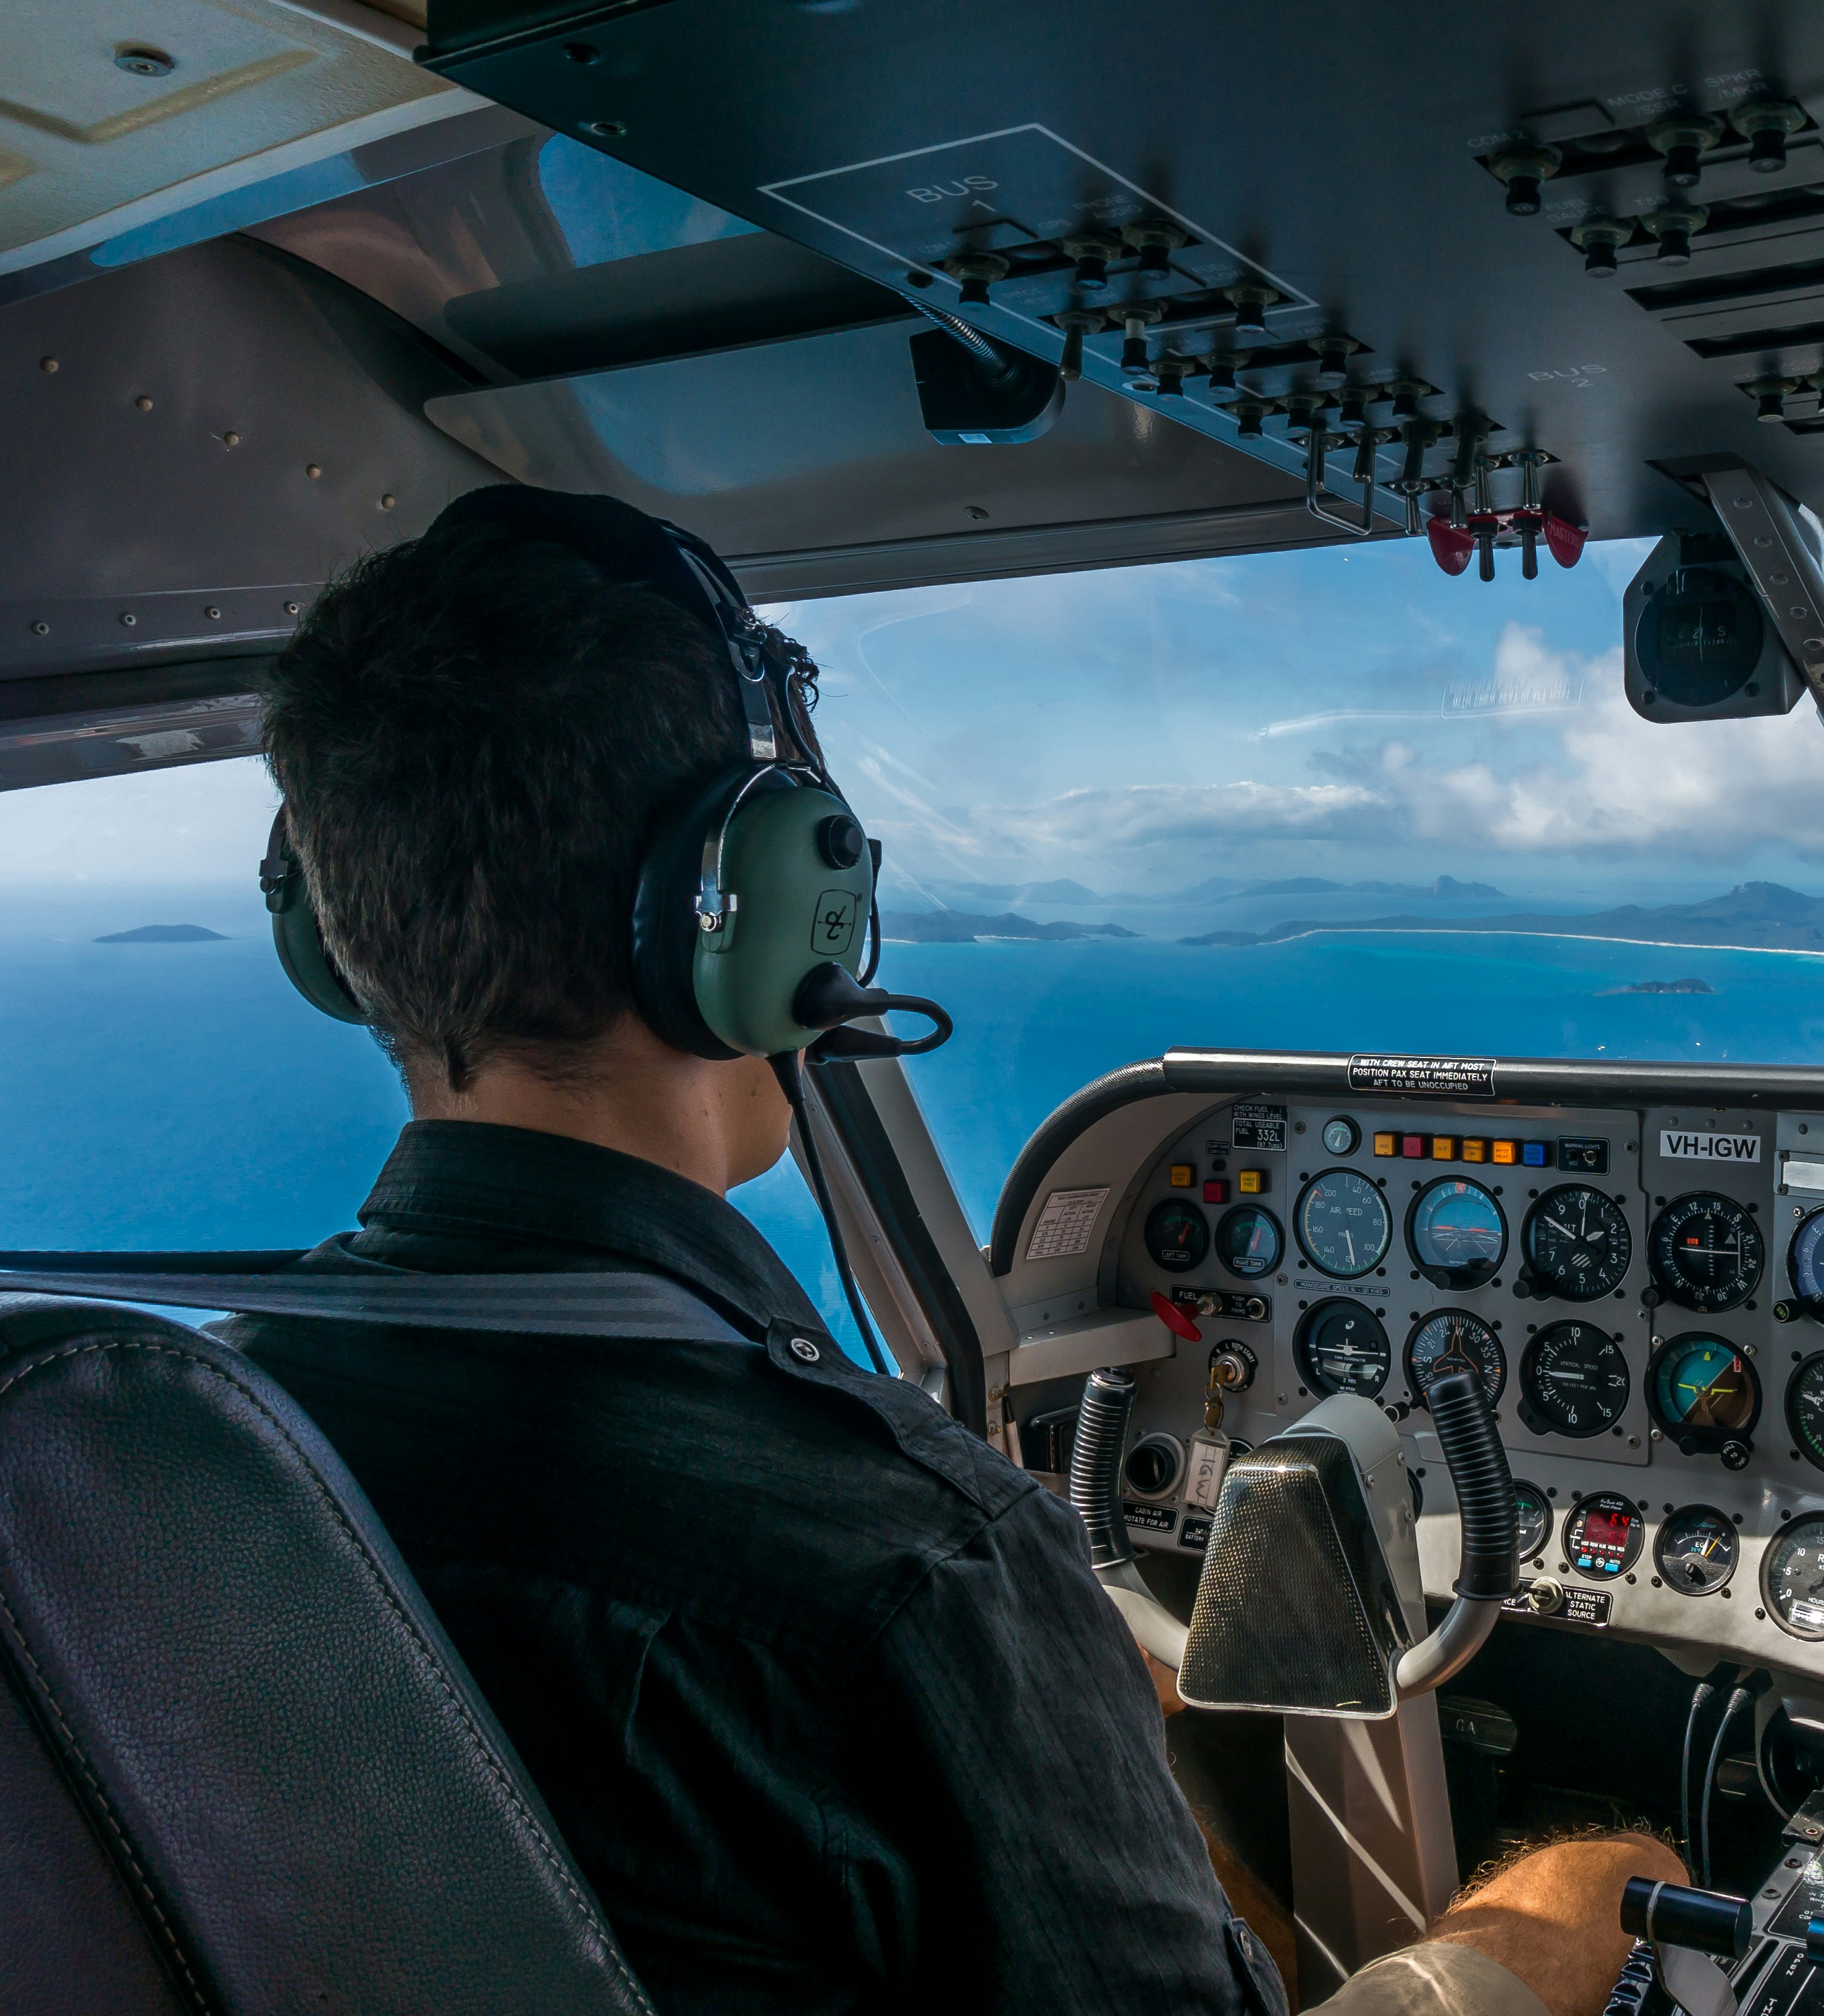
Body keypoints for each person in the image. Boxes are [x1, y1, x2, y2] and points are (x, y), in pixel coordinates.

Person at [230, 484, 1675, 2015]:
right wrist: (1523, 1933)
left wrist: (1071, 1729)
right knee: (1603, 1889)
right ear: (768, 904)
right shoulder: (906, 1565)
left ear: (332, 933)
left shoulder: (204, 1431)